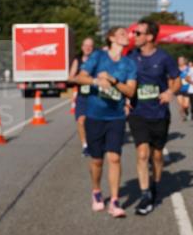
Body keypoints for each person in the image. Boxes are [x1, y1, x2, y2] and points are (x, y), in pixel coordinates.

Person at [73, 27, 137, 218]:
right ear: (111, 38)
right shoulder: (98, 56)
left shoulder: (129, 63)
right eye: (122, 33)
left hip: (116, 117)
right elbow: (79, 77)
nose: (127, 36)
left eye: (127, 34)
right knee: (97, 160)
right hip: (95, 115)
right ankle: (96, 191)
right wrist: (96, 82)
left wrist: (114, 80)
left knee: (115, 158)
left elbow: (131, 92)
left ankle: (115, 201)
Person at [127, 19, 180, 215]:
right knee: (142, 153)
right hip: (137, 112)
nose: (135, 36)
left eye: (138, 33)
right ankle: (144, 194)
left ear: (149, 37)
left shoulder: (164, 57)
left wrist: (170, 92)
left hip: (159, 113)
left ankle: (155, 185)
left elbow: (177, 80)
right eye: (134, 33)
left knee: (156, 155)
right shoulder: (131, 57)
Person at [68, 37, 96, 156]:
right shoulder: (77, 60)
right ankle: (85, 145)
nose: (88, 48)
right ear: (82, 47)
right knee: (81, 120)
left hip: (96, 96)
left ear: (93, 48)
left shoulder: (97, 60)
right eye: (86, 45)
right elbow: (70, 78)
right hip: (83, 96)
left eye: (90, 46)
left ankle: (95, 141)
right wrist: (80, 79)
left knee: (94, 122)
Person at [176, 56, 193, 121]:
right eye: (179, 60)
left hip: (187, 88)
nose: (180, 61)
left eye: (181, 60)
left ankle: (186, 112)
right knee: (181, 104)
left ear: (184, 61)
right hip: (179, 89)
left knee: (186, 105)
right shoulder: (176, 69)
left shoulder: (189, 69)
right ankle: (183, 116)